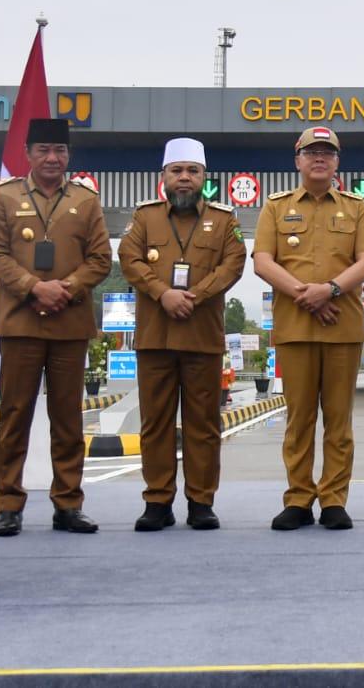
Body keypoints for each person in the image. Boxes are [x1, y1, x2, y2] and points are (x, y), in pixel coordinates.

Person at [0, 118, 112, 538]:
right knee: (15, 414)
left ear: (68, 156)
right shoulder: (2, 196)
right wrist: (35, 287)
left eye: (59, 151)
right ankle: (8, 505)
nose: (52, 158)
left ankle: (69, 504)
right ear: (28, 153)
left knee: (68, 418)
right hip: (19, 322)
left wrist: (65, 289)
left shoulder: (86, 201)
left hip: (70, 323)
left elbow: (100, 260)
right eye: (43, 150)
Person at [118, 138, 246, 532]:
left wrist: (195, 295)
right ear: (164, 177)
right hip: (155, 337)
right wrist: (163, 294)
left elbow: (233, 263)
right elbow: (129, 258)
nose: (185, 178)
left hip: (202, 338)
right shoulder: (145, 218)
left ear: (204, 177)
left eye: (192, 171)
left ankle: (201, 501)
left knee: (203, 423)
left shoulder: (225, 220)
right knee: (155, 423)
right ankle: (157, 501)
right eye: (177, 171)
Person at [253, 126, 364, 531]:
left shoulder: (357, 208)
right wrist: (305, 294)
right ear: (298, 160)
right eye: (311, 152)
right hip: (295, 327)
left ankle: (335, 500)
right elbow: (263, 261)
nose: (319, 158)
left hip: (342, 327)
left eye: (327, 152)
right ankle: (299, 499)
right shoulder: (275, 206)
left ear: (337, 161)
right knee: (299, 419)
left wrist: (331, 290)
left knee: (339, 420)